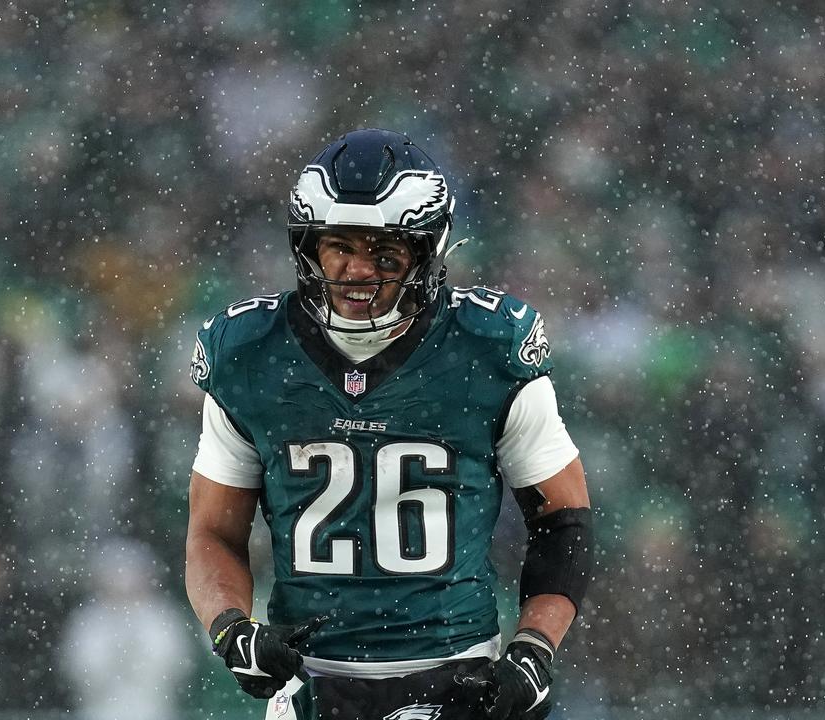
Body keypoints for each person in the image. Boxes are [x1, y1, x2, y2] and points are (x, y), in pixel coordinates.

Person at [185, 128, 591, 720]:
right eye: (340, 248)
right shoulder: (250, 355)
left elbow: (563, 521)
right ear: (308, 248)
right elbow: (213, 532)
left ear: (426, 256)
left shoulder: (487, 350)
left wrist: (533, 650)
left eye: (385, 254)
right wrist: (232, 629)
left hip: (457, 676)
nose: (357, 271)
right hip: (311, 684)